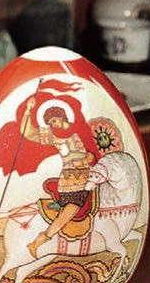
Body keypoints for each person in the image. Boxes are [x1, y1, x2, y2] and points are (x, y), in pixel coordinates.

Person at [19, 98, 96, 258]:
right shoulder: (53, 135)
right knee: (70, 211)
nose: (53, 124)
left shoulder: (81, 128)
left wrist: (89, 157)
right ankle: (38, 241)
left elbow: (92, 151)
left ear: (62, 116)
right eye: (50, 122)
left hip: (90, 176)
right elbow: (28, 133)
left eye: (54, 120)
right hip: (71, 180)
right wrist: (28, 110)